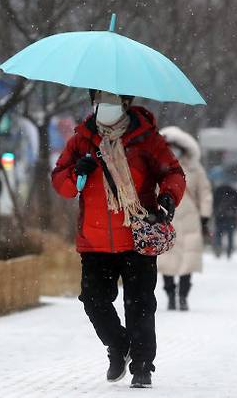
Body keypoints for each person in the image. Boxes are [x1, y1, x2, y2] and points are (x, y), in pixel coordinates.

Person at [51, 90, 185, 389]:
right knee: (94, 301)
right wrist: (76, 172)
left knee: (139, 304)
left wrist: (168, 196)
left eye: (111, 100)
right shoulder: (82, 140)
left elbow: (173, 172)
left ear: (126, 103)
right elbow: (61, 183)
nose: (105, 106)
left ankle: (141, 365)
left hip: (137, 235)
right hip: (95, 239)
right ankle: (119, 345)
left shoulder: (146, 138)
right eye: (100, 100)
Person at [157, 126, 212, 312]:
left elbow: (205, 193)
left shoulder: (195, 169)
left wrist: (205, 216)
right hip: (166, 218)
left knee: (188, 260)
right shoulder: (159, 169)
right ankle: (171, 294)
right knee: (166, 261)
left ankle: (183, 296)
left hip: (190, 220)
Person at [212, 183, 237, 259]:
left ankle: (218, 248)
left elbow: (214, 203)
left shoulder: (218, 190)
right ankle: (229, 250)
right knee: (230, 235)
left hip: (220, 216)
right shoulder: (234, 191)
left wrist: (216, 212)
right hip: (230, 216)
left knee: (218, 234)